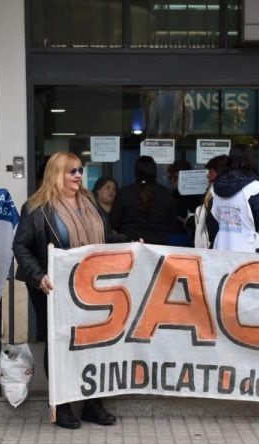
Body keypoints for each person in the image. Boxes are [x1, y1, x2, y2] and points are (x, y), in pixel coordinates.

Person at [13, 152, 127, 429]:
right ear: (56, 174)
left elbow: (108, 238)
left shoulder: (89, 204)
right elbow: (21, 246)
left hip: (91, 287)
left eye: (79, 170)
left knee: (94, 342)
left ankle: (92, 403)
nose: (78, 175)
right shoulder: (37, 207)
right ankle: (62, 404)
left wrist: (133, 244)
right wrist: (39, 276)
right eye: (71, 171)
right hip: (52, 289)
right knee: (60, 343)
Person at [206, 144, 259, 253]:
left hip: (221, 247)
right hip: (250, 250)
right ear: (252, 161)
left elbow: (211, 224)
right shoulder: (254, 188)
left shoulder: (215, 188)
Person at [110, 156, 176, 244]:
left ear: (136, 172)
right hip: (158, 246)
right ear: (155, 171)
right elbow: (172, 224)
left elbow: (114, 223)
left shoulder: (124, 193)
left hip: (130, 245)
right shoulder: (166, 193)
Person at [193, 155, 227, 249]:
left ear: (220, 172)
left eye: (211, 171)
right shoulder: (212, 192)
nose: (208, 175)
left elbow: (211, 222)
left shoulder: (215, 194)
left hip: (215, 244)